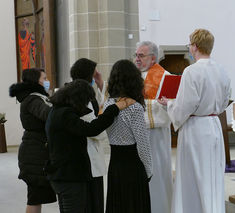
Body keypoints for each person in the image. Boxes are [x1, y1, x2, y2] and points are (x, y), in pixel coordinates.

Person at [159, 29, 231, 213]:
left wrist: (169, 104)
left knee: (194, 176)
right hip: (214, 126)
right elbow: (224, 102)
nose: (190, 48)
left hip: (196, 129)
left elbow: (186, 105)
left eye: (190, 44)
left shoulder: (191, 71)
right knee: (213, 176)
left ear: (195, 46)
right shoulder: (221, 70)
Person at [45, 79, 134, 213]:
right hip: (69, 177)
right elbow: (91, 129)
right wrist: (114, 108)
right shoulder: (65, 114)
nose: (86, 104)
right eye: (86, 100)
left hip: (61, 175)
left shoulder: (56, 110)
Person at [104, 59, 153, 213]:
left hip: (115, 164)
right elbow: (142, 143)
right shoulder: (134, 107)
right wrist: (149, 170)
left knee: (118, 205)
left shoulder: (107, 104)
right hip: (133, 166)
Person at [9, 68, 56, 213]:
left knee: (37, 198)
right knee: (35, 198)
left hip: (38, 150)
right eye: (44, 78)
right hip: (34, 154)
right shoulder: (33, 99)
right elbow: (46, 114)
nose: (47, 81)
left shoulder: (34, 97)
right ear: (35, 81)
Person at [134, 41, 172, 213]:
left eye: (141, 55)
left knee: (157, 172)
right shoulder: (133, 76)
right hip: (136, 134)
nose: (137, 59)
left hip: (157, 135)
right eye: (136, 55)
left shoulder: (165, 76)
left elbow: (170, 105)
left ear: (153, 58)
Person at [70, 58, 106, 213]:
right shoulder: (82, 97)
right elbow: (94, 128)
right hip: (88, 156)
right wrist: (105, 130)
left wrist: (100, 84)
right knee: (93, 204)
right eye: (93, 73)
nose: (96, 75)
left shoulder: (76, 92)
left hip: (85, 156)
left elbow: (99, 106)